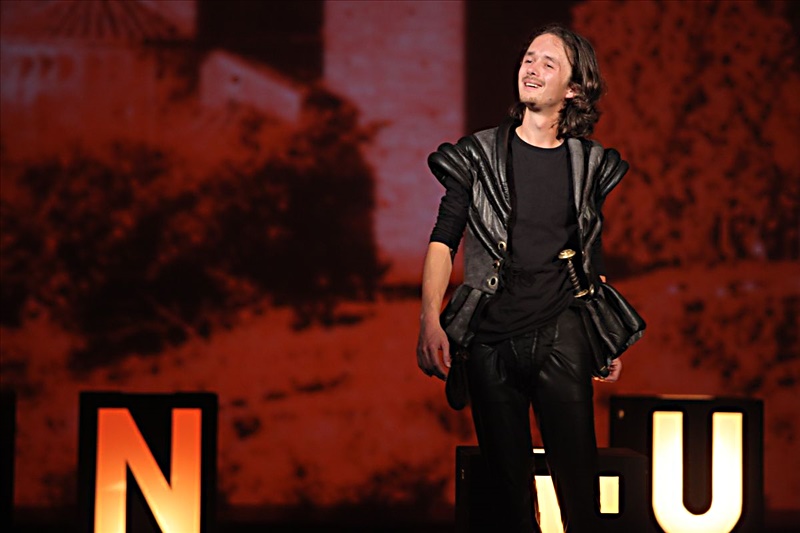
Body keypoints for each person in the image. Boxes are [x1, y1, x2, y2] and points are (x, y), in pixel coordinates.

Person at [417, 24, 627, 532]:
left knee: (580, 494)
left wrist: (603, 334)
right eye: (529, 58)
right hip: (490, 341)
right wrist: (429, 319)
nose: (531, 68)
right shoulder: (477, 155)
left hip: (562, 334)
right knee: (509, 502)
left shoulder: (588, 164)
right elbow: (444, 239)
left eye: (548, 63)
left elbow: (588, 254)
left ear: (573, 89)